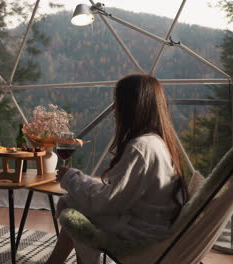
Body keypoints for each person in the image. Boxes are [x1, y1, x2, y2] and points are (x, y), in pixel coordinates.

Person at [46, 74, 186, 263]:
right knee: (74, 202)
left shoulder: (141, 147)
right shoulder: (156, 142)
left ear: (131, 106)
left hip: (140, 233)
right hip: (151, 224)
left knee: (74, 205)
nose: (114, 109)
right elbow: (117, 195)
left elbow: (107, 202)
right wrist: (77, 179)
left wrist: (72, 178)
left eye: (117, 101)